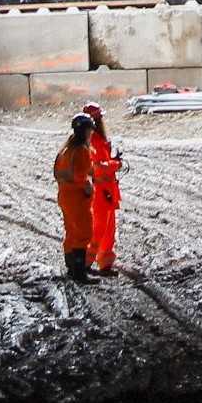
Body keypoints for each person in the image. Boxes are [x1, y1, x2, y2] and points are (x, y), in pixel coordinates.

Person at [53, 112, 96, 281]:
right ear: (86, 131)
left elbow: (58, 173)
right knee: (84, 233)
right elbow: (82, 176)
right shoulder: (82, 151)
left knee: (71, 231)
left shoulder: (65, 150)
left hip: (64, 195)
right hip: (78, 198)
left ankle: (71, 267)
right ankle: (79, 272)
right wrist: (89, 187)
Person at [83, 102, 122, 275]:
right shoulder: (93, 141)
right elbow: (98, 168)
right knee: (99, 230)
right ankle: (86, 263)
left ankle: (105, 263)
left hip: (107, 192)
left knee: (108, 230)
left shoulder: (97, 140)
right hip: (101, 192)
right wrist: (115, 163)